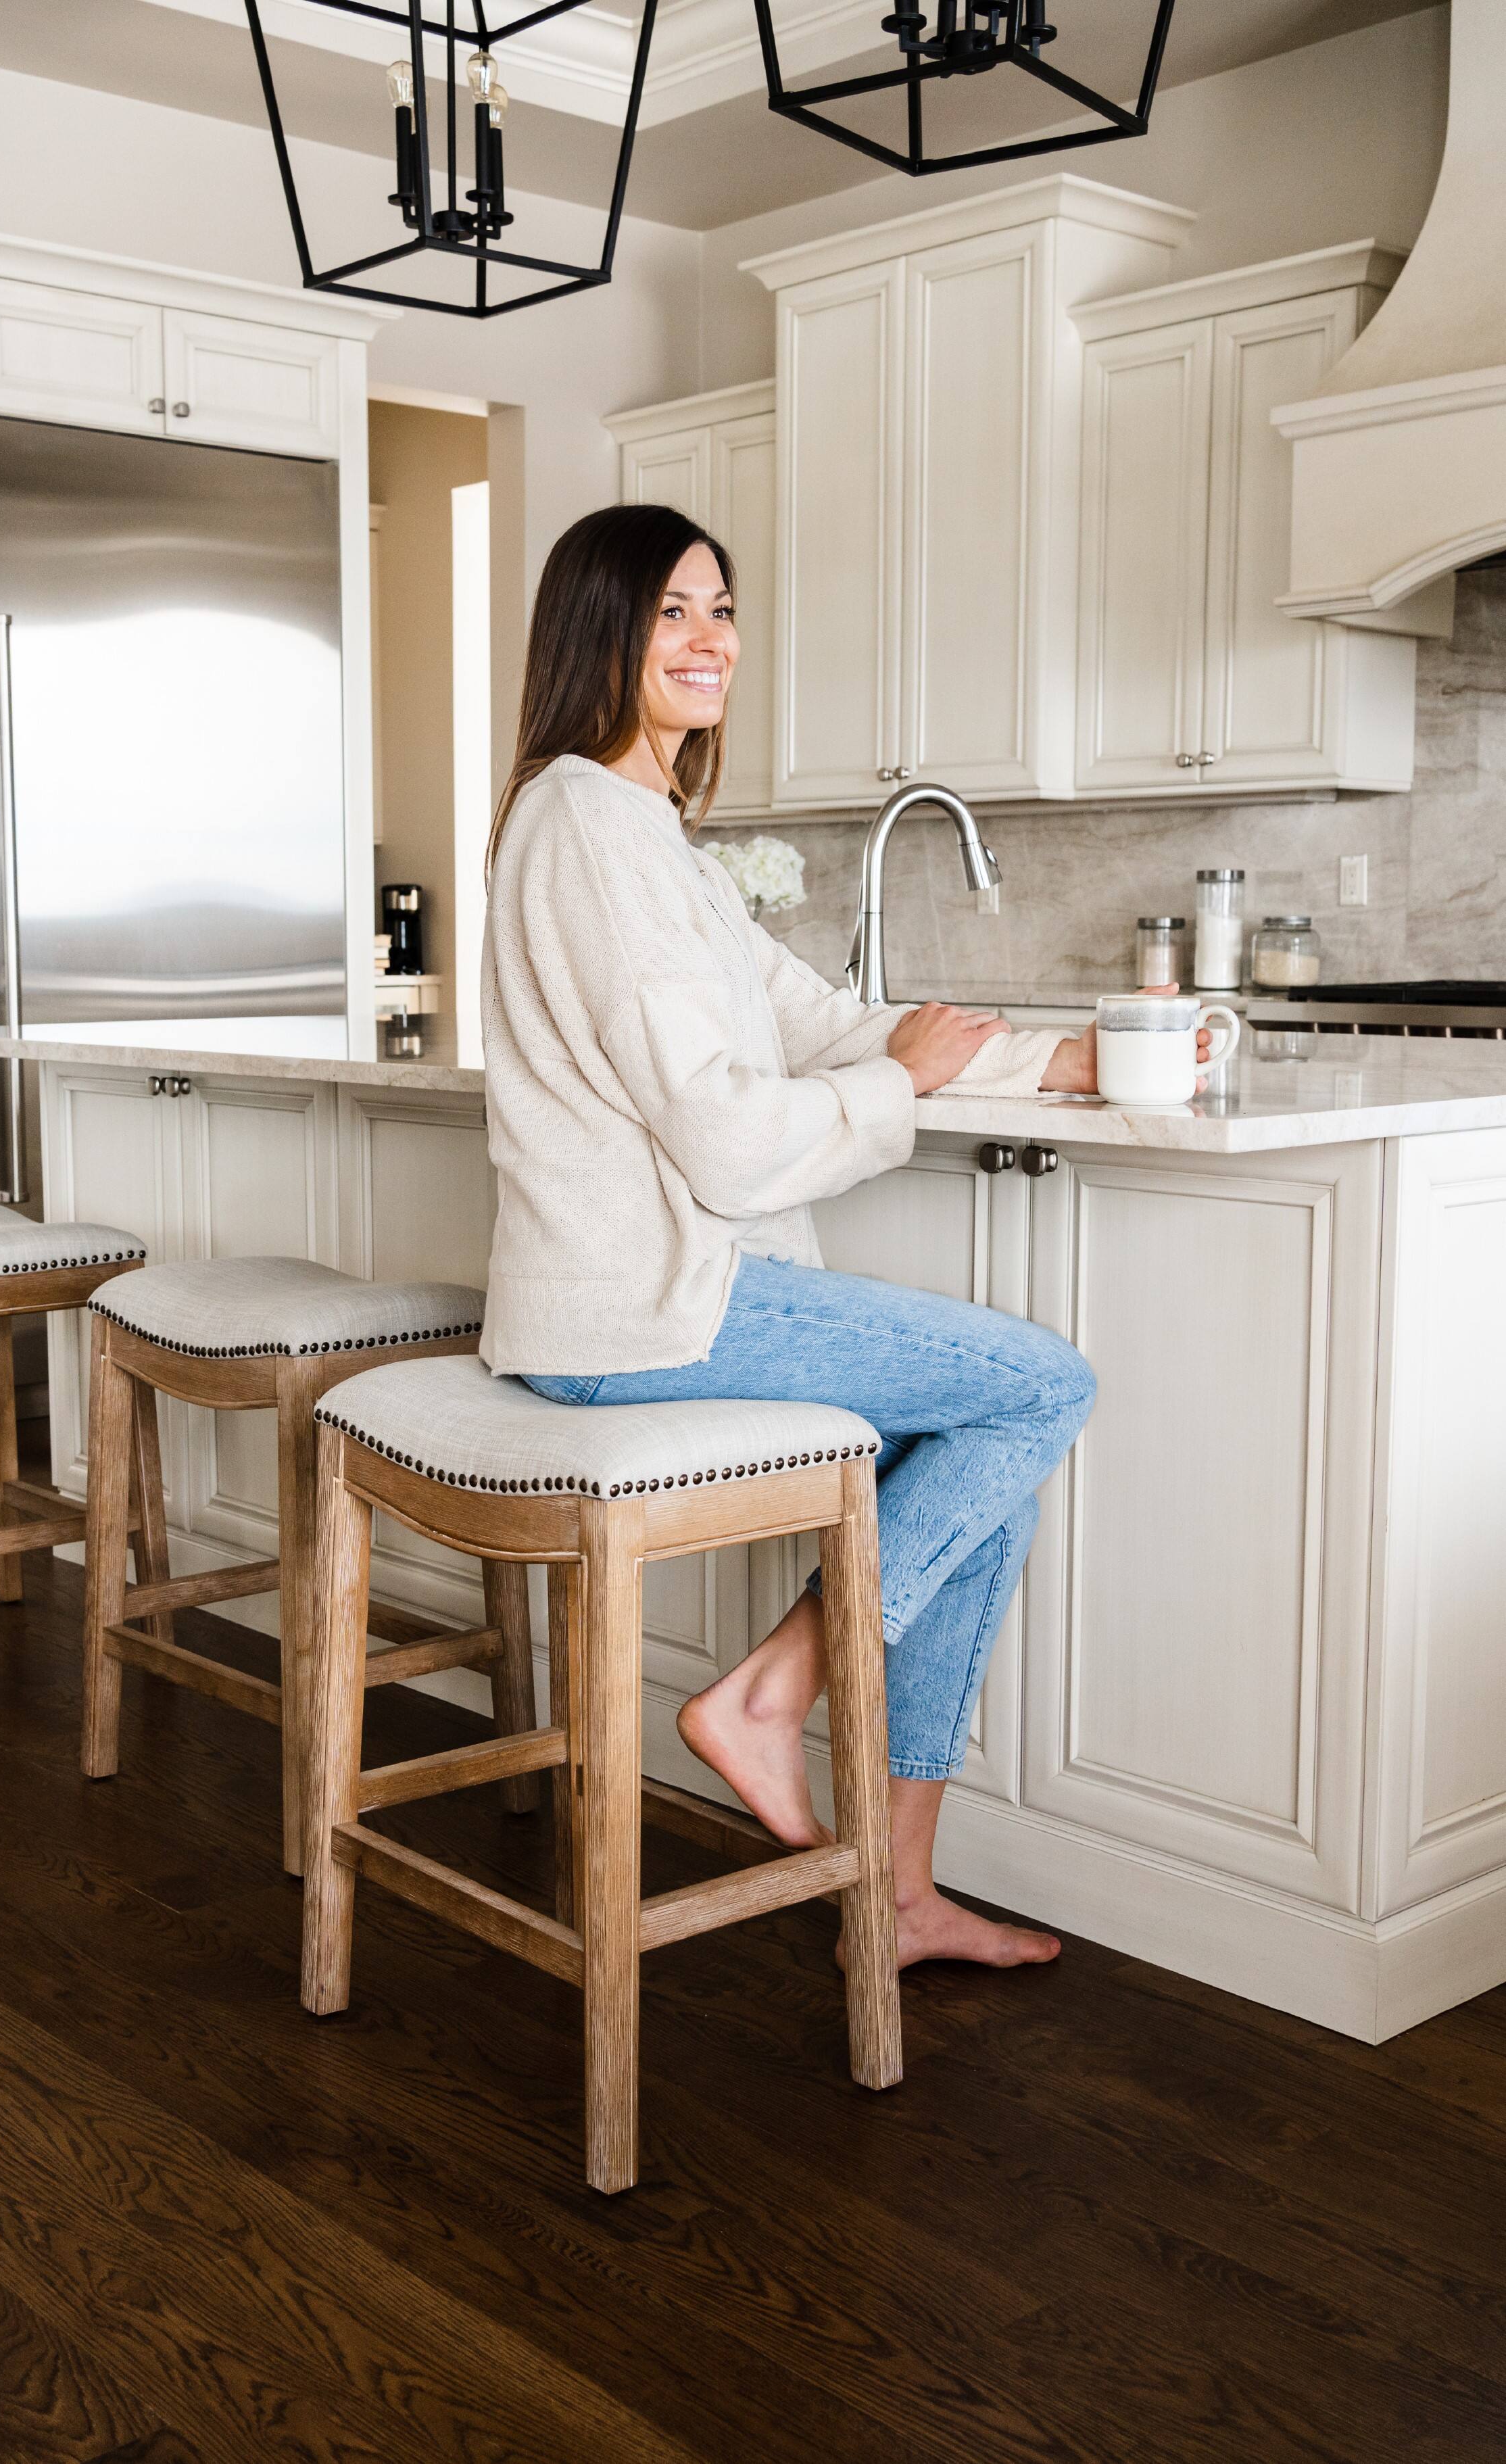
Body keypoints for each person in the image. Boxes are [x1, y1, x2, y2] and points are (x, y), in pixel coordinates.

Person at [479, 504, 1193, 1971]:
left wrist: (1048, 1061)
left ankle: (902, 1888)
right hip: (645, 1310)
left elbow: (829, 1023)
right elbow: (732, 1138)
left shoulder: (649, 836)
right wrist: (911, 1079)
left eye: (723, 610)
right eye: (673, 611)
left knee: (993, 1474)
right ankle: (770, 1692)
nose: (710, 640)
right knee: (1041, 1385)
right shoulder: (584, 826)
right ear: (598, 633)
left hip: (673, 1296)